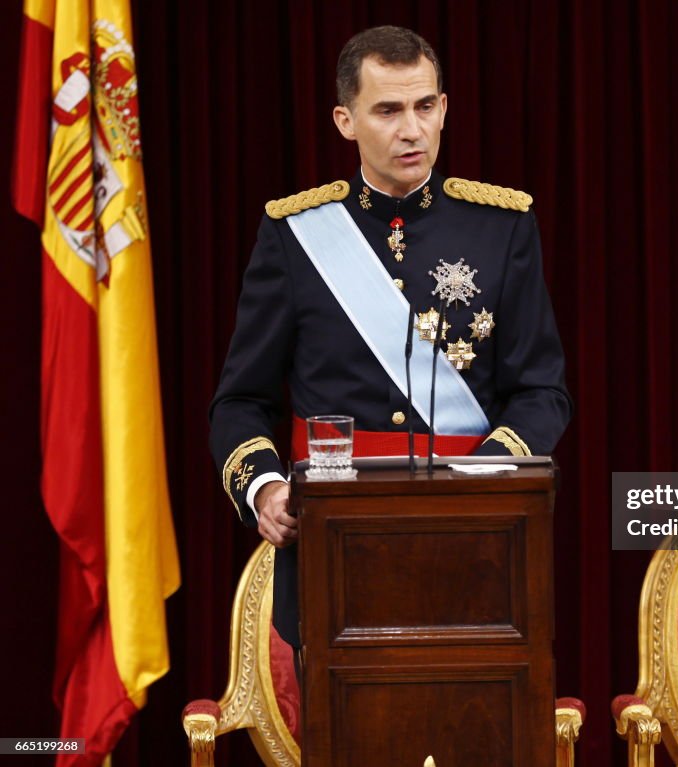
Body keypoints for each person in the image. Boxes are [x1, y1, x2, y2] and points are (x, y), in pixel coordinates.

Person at [209, 26, 572, 648]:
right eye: (388, 111)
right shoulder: (296, 236)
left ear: (444, 109)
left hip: (476, 548)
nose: (412, 130)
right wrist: (265, 488)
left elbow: (542, 392)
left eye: (425, 106)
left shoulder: (501, 227)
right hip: (333, 554)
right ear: (345, 121)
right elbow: (241, 401)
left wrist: (481, 479)